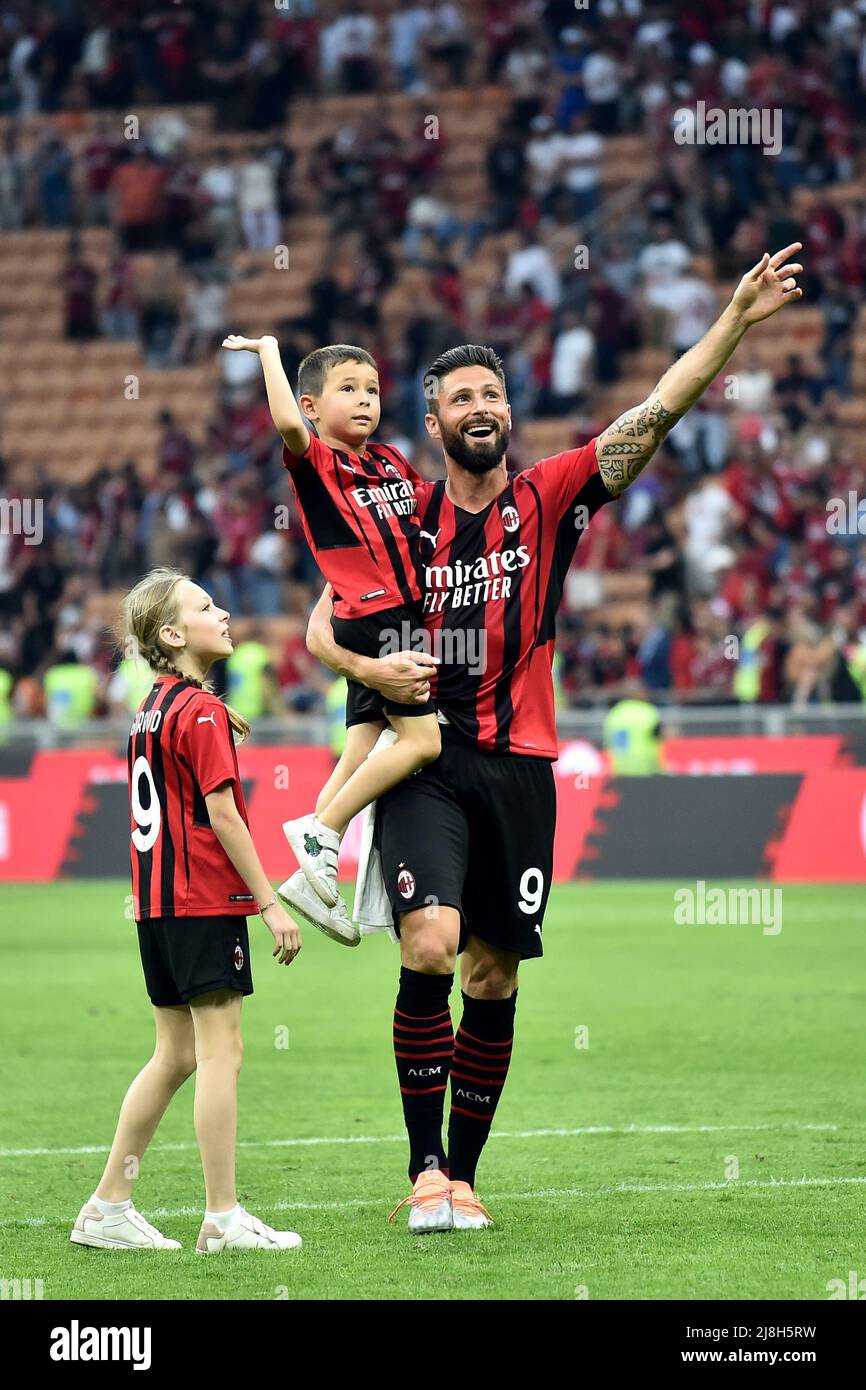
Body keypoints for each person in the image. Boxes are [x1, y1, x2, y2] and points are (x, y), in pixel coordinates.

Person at [304, 244, 806, 1232]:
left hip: (523, 769)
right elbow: (325, 619)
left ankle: (467, 1176)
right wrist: (367, 674)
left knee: (492, 971)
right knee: (431, 946)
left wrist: (733, 323)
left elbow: (654, 410)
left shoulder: (552, 494)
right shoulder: (399, 521)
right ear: (434, 422)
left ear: (506, 409)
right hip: (428, 758)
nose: (479, 407)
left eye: (491, 392)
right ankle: (423, 1167)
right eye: (459, 397)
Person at [70, 567, 303, 1254]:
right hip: (202, 900)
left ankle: (108, 1205)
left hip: (155, 906)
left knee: (172, 1054)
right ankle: (223, 1219)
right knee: (220, 1053)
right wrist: (270, 904)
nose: (224, 612)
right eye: (206, 607)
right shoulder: (198, 712)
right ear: (173, 634)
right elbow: (224, 815)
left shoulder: (153, 706)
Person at [222, 336, 440, 938]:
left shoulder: (393, 460)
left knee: (363, 745)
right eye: (348, 389)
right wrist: (269, 350)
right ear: (314, 406)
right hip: (382, 616)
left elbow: (426, 522)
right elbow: (287, 422)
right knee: (423, 744)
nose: (365, 400)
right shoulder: (315, 457)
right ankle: (324, 830)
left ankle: (308, 883)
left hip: (385, 611)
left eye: (371, 389)